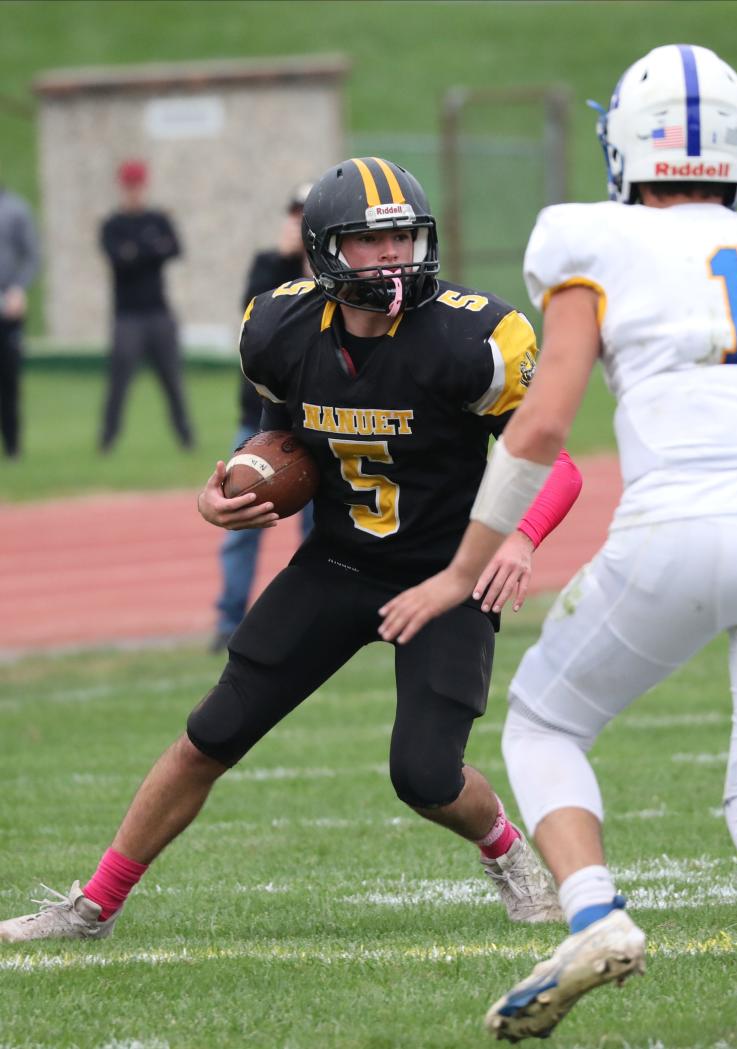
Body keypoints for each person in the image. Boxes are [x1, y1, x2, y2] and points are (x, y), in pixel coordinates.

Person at [379, 45, 737, 1045]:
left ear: (624, 147)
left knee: (543, 724)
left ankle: (596, 917)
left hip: (680, 517)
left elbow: (542, 422)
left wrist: (461, 570)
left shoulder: (586, 238)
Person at [0, 156, 585, 945]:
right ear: (324, 253)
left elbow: (557, 461)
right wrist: (230, 486)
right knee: (212, 731)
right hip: (340, 561)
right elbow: (283, 438)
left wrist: (518, 535)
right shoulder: (276, 329)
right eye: (373, 244)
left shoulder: (471, 337)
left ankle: (506, 850)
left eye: (406, 238)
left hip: (448, 572)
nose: (395, 258)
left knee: (424, 775)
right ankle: (93, 906)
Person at [211, 182, 315, 652]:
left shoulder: (351, 275)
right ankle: (229, 619)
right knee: (241, 512)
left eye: (307, 214)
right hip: (260, 421)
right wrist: (282, 256)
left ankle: (317, 621)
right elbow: (253, 318)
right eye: (293, 212)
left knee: (319, 528)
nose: (299, 221)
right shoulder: (268, 265)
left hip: (319, 423)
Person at [99, 158, 193, 453]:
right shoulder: (112, 225)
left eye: (138, 186)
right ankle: (107, 440)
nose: (134, 192)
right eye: (129, 187)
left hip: (158, 313)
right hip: (127, 316)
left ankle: (186, 439)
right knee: (118, 383)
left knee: (173, 381)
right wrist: (151, 249)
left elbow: (174, 248)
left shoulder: (157, 219)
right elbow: (120, 259)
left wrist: (137, 252)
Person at [0, 174, 40, 459]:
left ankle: (13, 448)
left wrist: (18, 289)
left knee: (8, 381)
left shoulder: (15, 209)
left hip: (7, 303)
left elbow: (32, 255)